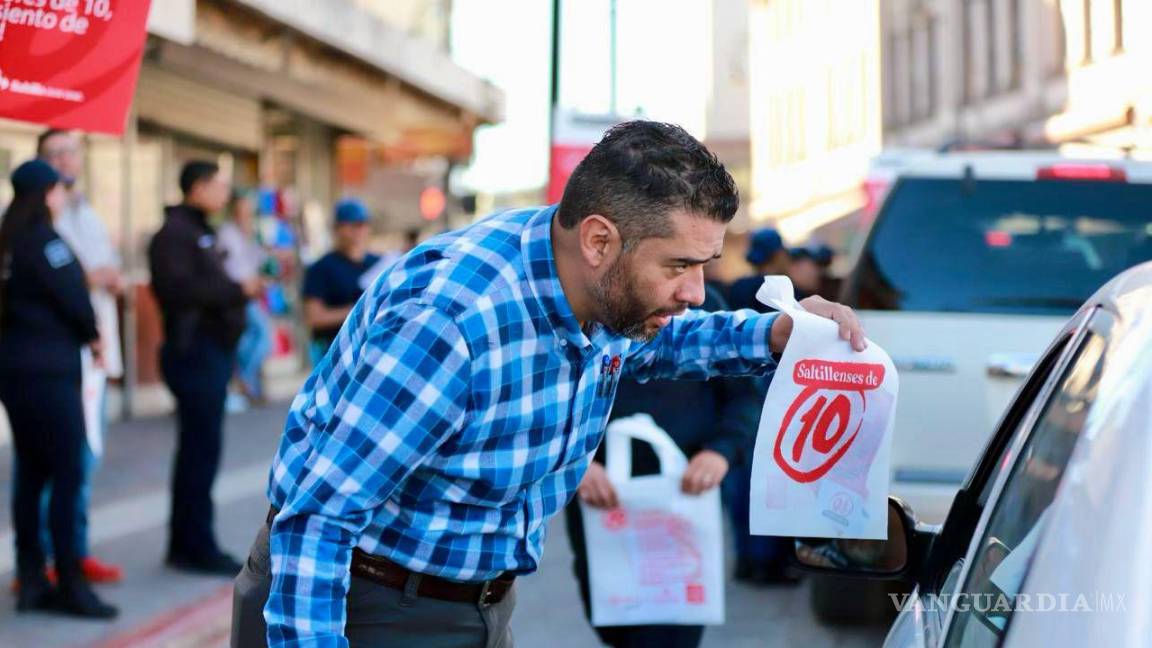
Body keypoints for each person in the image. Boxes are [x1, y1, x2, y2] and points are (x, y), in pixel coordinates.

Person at [231, 121, 866, 646]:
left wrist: (772, 335)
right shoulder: (453, 322)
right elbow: (320, 517)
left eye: (703, 266)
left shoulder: (594, 284)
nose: (695, 292)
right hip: (358, 606)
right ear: (599, 241)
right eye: (678, 265)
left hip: (470, 604)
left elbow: (657, 337)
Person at [564, 283, 765, 648]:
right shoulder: (590, 305)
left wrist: (720, 452)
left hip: (683, 491)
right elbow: (556, 394)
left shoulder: (702, 311)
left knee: (671, 627)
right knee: (613, 618)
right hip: (603, 495)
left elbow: (744, 399)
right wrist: (574, 463)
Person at [0, 160, 118, 618]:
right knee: (68, 473)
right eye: (60, 188)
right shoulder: (46, 242)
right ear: (48, 193)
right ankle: (70, 584)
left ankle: (31, 578)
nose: (65, 194)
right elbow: (75, 296)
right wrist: (93, 336)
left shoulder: (7, 241)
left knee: (31, 473)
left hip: (14, 372)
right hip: (49, 373)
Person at [149, 161, 261, 575]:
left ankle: (192, 540)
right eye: (219, 185)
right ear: (197, 187)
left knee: (203, 451)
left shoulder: (200, 231)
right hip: (193, 353)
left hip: (211, 354)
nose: (225, 194)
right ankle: (194, 545)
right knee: (199, 452)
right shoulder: (175, 234)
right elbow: (178, 290)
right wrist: (237, 290)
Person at [34, 130, 126, 585]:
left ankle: (75, 549)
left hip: (99, 350)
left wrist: (112, 277)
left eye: (70, 152)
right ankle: (50, 557)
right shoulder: (39, 218)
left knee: (86, 460)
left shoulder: (86, 209)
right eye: (54, 155)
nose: (64, 161)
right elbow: (52, 278)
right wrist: (95, 276)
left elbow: (105, 266)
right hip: (66, 355)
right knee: (64, 462)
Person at [301, 198, 380, 364]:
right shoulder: (321, 268)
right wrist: (358, 310)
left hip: (372, 348)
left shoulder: (378, 263)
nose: (358, 230)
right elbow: (314, 317)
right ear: (338, 229)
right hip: (334, 352)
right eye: (352, 225)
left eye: (362, 224)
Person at [218, 190, 272, 407]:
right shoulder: (226, 234)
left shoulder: (248, 233)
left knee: (254, 338)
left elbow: (258, 261)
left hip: (251, 293)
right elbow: (229, 267)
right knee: (259, 336)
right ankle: (244, 380)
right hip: (236, 294)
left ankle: (246, 380)